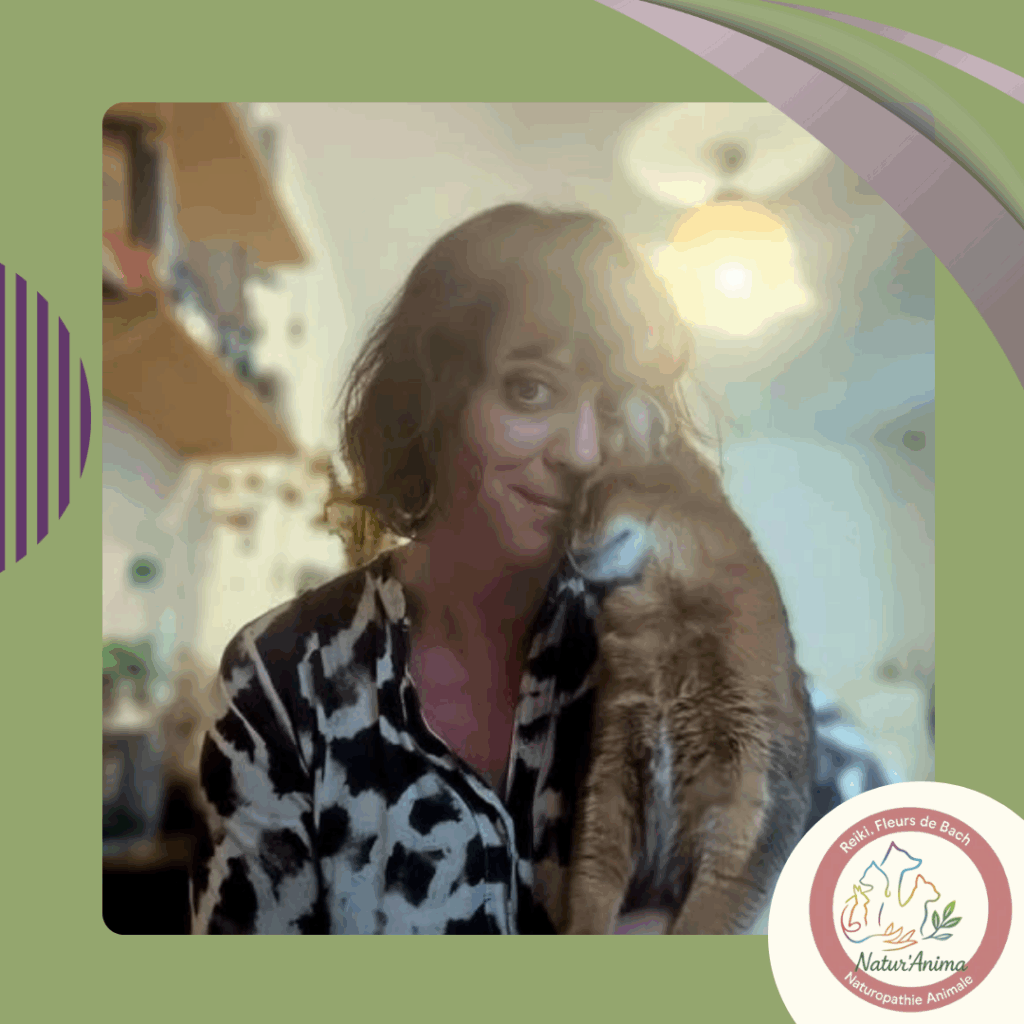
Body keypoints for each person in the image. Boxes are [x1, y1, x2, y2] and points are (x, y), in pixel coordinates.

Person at [189, 202, 882, 935]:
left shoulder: (685, 625)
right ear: (431, 400)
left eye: (611, 408)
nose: (582, 452)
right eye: (531, 389)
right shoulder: (284, 672)